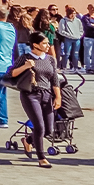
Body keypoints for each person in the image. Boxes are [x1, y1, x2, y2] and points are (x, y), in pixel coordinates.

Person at [8, 32, 60, 168]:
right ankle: (42, 158)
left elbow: (55, 80)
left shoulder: (50, 59)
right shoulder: (25, 58)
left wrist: (58, 97)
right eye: (44, 43)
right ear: (35, 45)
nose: (48, 45)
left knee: (49, 130)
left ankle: (28, 140)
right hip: (30, 95)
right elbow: (11, 74)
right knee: (39, 126)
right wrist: (25, 66)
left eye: (48, 43)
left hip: (47, 95)